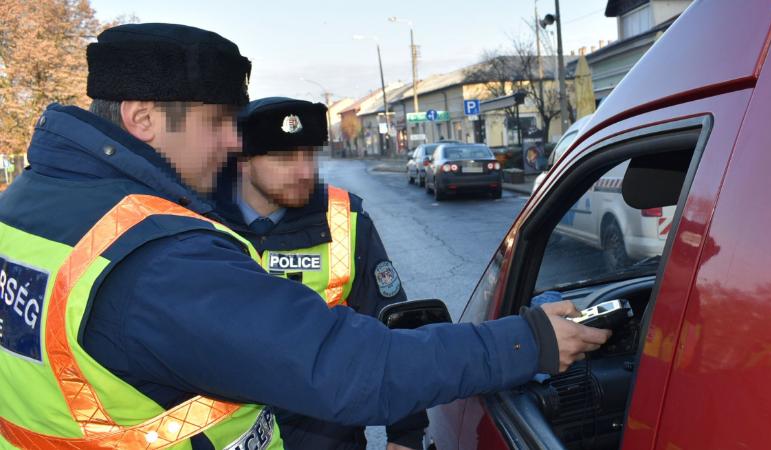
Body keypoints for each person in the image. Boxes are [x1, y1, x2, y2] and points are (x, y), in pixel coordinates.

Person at [0, 23, 610, 449]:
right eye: (217, 123)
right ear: (142, 118)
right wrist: (529, 341)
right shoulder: (155, 253)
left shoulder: (27, 205)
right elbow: (347, 367)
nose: (233, 143)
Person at [214, 97, 427, 449]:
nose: (304, 172)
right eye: (284, 158)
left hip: (330, 436)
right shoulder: (200, 222)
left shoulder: (345, 219)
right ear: (242, 162)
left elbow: (392, 326)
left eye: (309, 155)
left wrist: (406, 434)